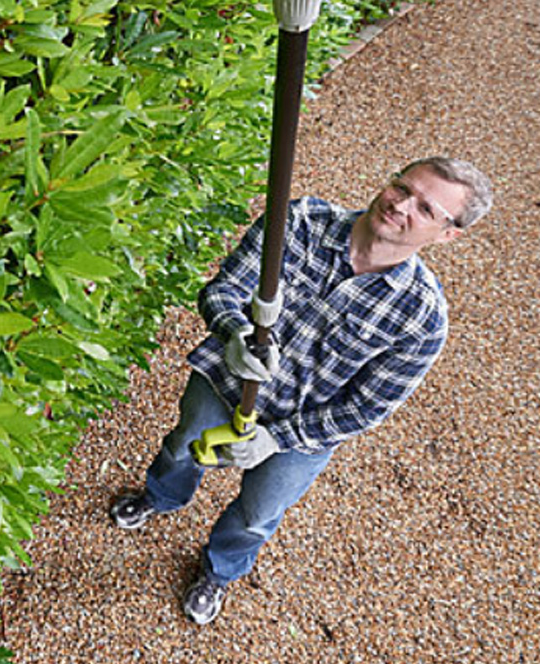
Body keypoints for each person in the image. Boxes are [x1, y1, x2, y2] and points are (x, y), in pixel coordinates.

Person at [110, 156, 494, 625]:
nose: (400, 205)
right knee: (181, 448)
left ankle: (218, 571)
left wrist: (277, 439)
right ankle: (161, 496)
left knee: (257, 515)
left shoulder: (423, 319)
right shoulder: (300, 221)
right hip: (226, 380)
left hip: (303, 432)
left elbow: (364, 409)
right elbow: (222, 290)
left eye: (426, 209)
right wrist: (234, 333)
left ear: (448, 235)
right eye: (402, 187)